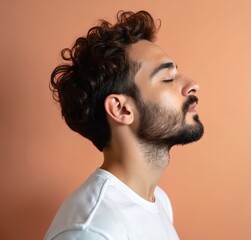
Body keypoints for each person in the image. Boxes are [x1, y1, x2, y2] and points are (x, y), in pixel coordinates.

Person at [45, 10, 204, 240]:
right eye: (167, 78)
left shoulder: (159, 200)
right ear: (121, 109)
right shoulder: (92, 230)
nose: (193, 85)